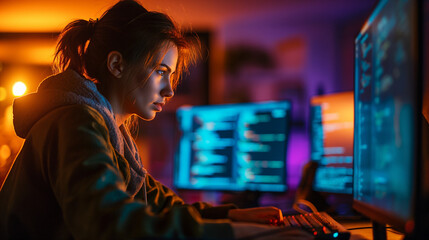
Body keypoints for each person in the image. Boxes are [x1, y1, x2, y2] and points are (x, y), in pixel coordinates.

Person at [0, 1, 313, 239]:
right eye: (161, 72)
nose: (170, 89)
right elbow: (109, 225)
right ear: (116, 65)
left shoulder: (113, 133)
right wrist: (237, 232)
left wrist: (234, 217)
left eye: (172, 75)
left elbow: (163, 205)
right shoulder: (76, 122)